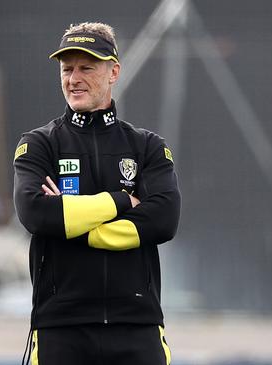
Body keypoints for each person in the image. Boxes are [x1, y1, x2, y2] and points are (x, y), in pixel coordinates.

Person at [13, 22, 180, 365]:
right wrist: (120, 201)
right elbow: (35, 213)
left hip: (137, 325)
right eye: (66, 68)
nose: (73, 78)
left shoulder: (146, 146)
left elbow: (164, 218)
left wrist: (77, 226)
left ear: (113, 71)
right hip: (61, 326)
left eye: (86, 67)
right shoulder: (40, 143)